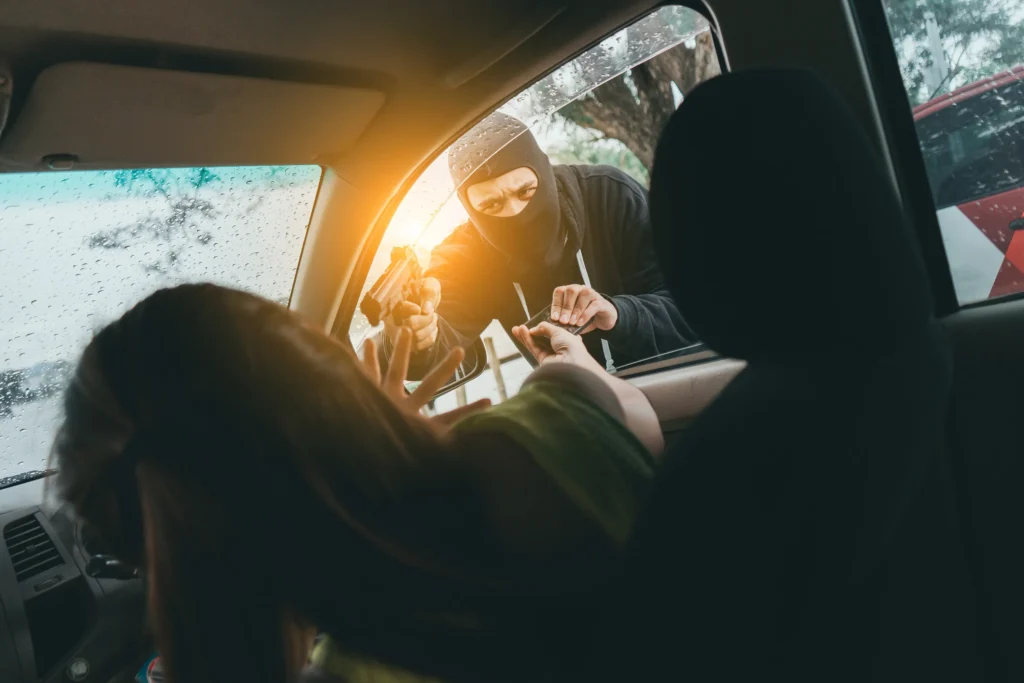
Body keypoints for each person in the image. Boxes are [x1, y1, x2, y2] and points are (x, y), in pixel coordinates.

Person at [51, 283, 662, 683]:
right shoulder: (545, 440)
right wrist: (567, 360)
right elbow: (634, 417)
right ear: (318, 358)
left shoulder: (339, 670)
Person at [383, 112, 695, 378]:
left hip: (673, 382)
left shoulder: (611, 196)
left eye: (526, 190)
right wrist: (414, 337)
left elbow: (695, 307)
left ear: (545, 171)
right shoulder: (466, 255)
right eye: (491, 206)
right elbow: (439, 341)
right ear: (469, 211)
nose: (516, 214)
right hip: (579, 410)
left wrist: (618, 313)